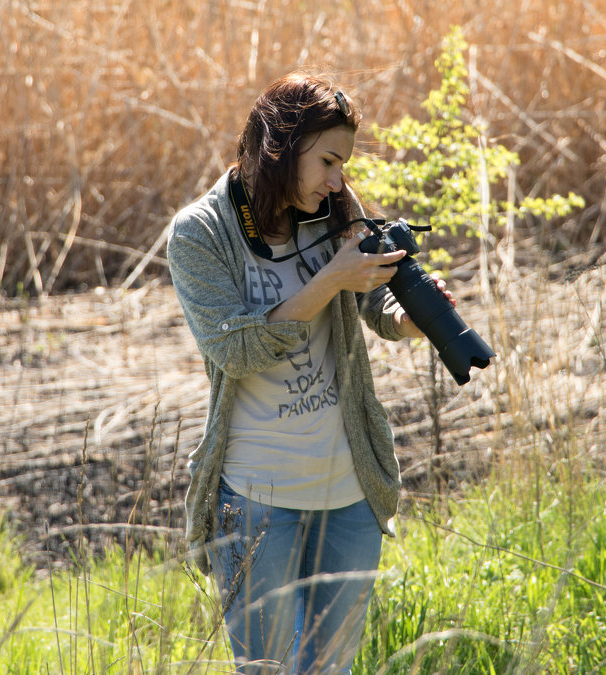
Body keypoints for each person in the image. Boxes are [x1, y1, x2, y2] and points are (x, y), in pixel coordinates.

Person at [167, 72, 451, 674]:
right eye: (327, 160)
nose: (337, 180)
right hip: (254, 499)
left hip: (349, 494)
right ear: (280, 146)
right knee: (268, 670)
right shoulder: (200, 234)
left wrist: (413, 320)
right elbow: (236, 350)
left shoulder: (333, 212)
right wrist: (330, 280)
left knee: (331, 671)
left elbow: (372, 302)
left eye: (342, 163)